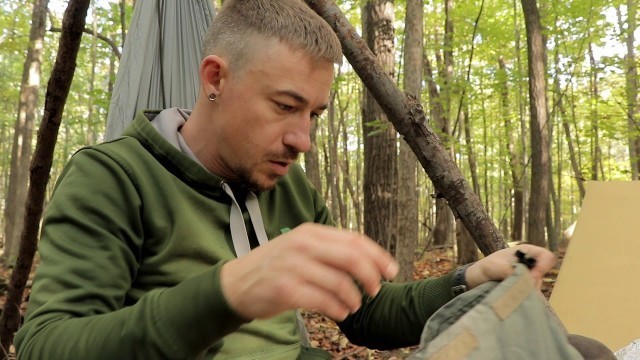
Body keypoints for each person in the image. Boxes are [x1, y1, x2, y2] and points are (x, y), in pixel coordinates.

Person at [14, 0, 556, 359]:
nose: (303, 140)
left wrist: (467, 281)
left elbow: (367, 313)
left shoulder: (286, 187)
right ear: (215, 78)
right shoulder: (114, 178)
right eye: (284, 106)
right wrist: (227, 293)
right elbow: (46, 345)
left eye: (315, 114)